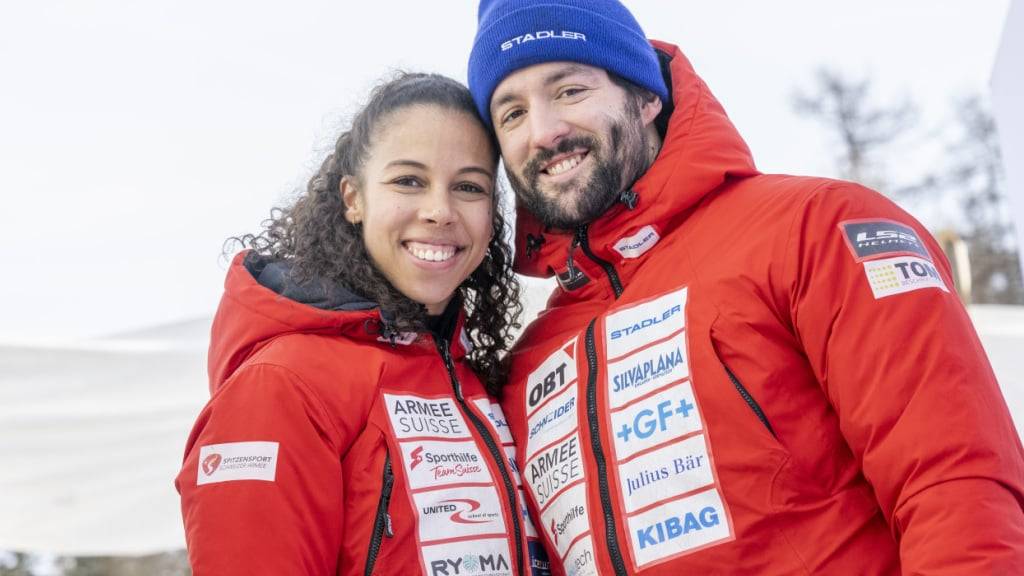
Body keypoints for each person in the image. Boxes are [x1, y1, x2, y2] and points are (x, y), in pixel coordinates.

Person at [466, 0, 1024, 574]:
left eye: (569, 91)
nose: (543, 132)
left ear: (646, 95)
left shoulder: (816, 229)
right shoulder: (526, 366)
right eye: (512, 114)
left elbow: (958, 486)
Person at [175, 73, 547, 575]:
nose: (440, 210)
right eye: (409, 181)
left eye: (468, 186)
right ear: (353, 198)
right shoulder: (282, 384)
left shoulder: (473, 379)